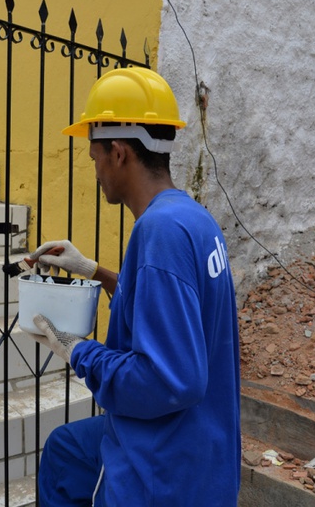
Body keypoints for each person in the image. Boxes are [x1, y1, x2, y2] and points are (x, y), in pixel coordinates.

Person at [27, 67, 241, 506]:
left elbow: (170, 381)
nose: (96, 171)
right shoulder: (192, 219)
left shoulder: (158, 232)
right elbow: (169, 307)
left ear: (119, 153)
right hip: (206, 452)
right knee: (65, 450)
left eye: (95, 158)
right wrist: (94, 271)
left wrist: (78, 350)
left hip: (161, 468)